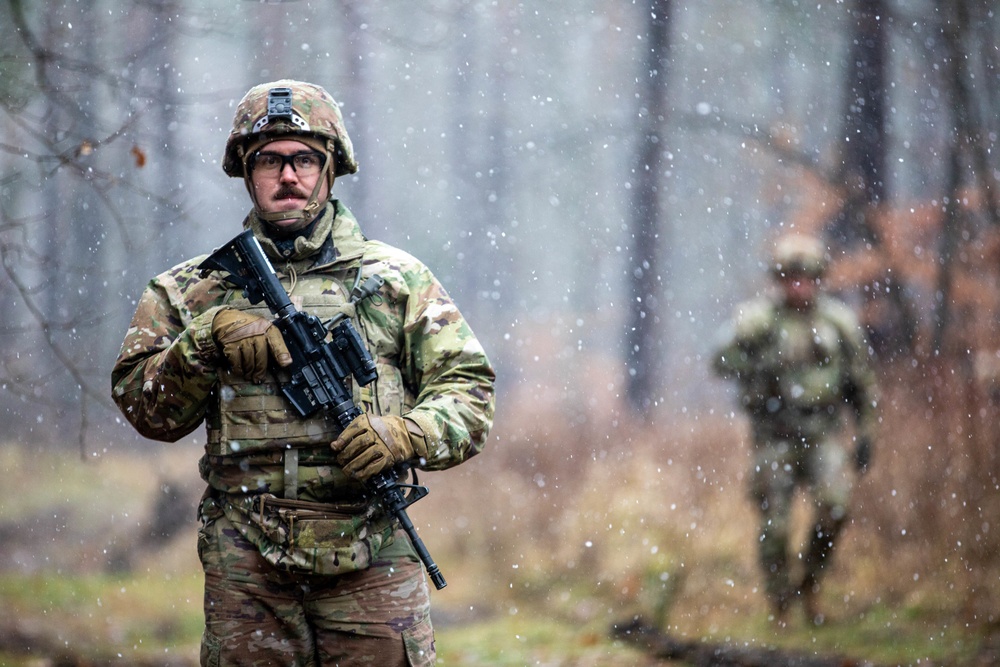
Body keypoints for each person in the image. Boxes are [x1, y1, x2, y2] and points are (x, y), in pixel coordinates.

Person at [111, 80, 496, 666]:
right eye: (270, 160)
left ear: (330, 169)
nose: (288, 176)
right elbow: (146, 409)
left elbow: (469, 391)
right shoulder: (191, 290)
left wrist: (407, 434)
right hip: (247, 560)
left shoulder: (396, 281)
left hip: (372, 547)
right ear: (247, 171)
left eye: (304, 159)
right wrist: (204, 342)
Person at [711, 234, 877, 626]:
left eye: (806, 278)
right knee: (775, 523)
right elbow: (721, 362)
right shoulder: (758, 321)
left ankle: (811, 587)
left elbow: (862, 383)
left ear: (819, 280)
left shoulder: (838, 324)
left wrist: (868, 432)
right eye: (790, 278)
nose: (798, 286)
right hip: (775, 436)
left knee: (835, 507)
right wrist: (746, 345)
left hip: (823, 434)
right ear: (779, 280)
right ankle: (779, 602)